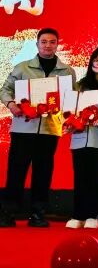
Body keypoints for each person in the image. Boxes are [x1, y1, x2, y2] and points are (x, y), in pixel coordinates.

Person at [0, 27, 75, 228]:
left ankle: (38, 213)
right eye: (44, 42)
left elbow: (71, 98)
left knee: (43, 171)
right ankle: (8, 212)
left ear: (57, 44)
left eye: (52, 42)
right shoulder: (22, 67)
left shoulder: (67, 72)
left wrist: (69, 117)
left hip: (50, 129)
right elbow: (5, 90)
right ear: (37, 44)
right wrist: (12, 105)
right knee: (16, 170)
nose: (48, 45)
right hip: (23, 128)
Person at [66, 47, 98, 230]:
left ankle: (92, 214)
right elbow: (70, 108)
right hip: (80, 137)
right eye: (97, 60)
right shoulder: (80, 85)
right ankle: (77, 215)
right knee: (81, 177)